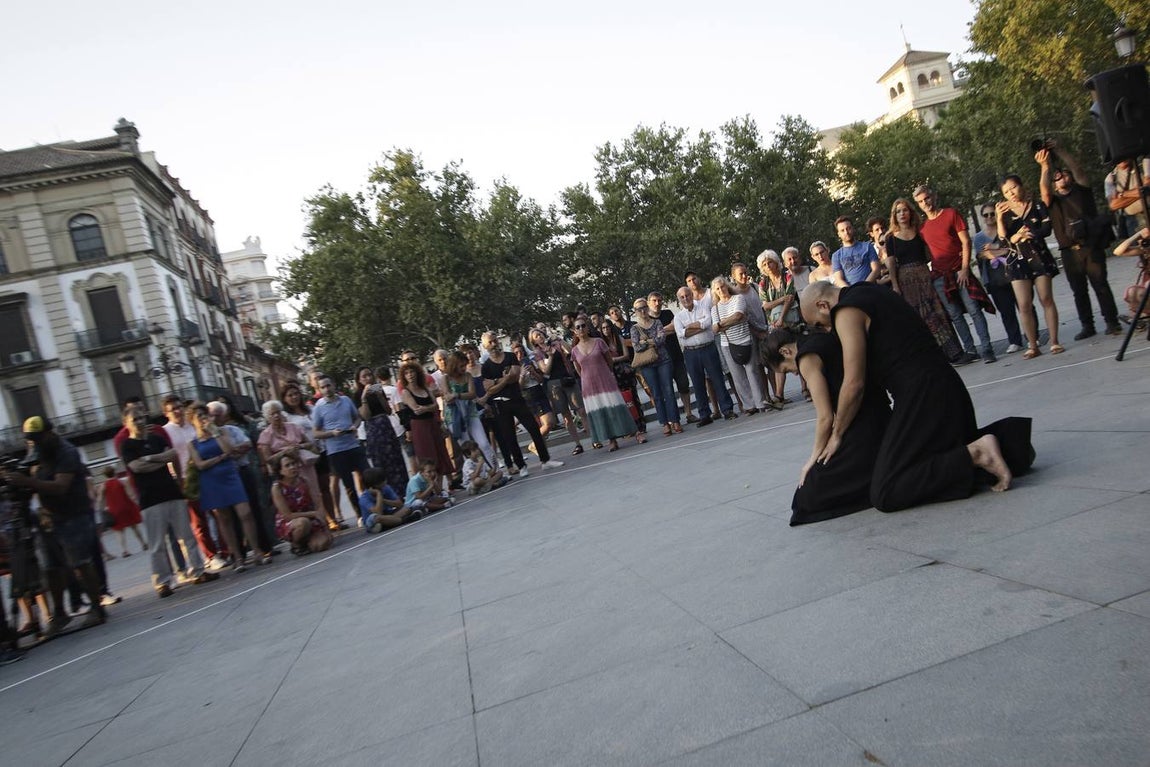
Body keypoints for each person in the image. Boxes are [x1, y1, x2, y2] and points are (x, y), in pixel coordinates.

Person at [800, 281, 1033, 513]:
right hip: (947, 387)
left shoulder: (846, 311)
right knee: (926, 459)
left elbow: (854, 384)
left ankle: (976, 453)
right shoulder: (869, 290)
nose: (827, 331)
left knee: (886, 491)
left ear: (823, 305)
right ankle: (1008, 441)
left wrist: (837, 434)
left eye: (820, 324)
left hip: (922, 395)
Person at [764, 329, 890, 525]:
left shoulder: (806, 358)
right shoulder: (818, 338)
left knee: (806, 497)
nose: (795, 373)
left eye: (787, 370)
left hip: (863, 424)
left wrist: (812, 460)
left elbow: (825, 417)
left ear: (785, 351)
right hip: (878, 414)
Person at [2, 417, 107, 635]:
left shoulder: (66, 452)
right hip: (50, 517)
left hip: (74, 515)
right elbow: (33, 476)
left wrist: (27, 482)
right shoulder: (37, 451)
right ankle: (59, 614)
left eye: (37, 438)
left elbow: (60, 486)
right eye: (30, 439)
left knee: (80, 563)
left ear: (50, 433)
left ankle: (97, 608)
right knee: (51, 568)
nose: (34, 443)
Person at [119, 405, 218, 596]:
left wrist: (149, 458)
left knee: (186, 536)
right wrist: (159, 460)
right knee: (157, 544)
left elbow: (172, 455)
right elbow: (137, 467)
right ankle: (162, 581)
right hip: (150, 499)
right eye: (134, 419)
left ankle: (198, 571)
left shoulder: (156, 438)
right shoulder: (127, 445)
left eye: (141, 417)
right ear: (126, 424)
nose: (139, 422)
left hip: (172, 492)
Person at [1037, 145, 1122, 339]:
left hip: (1090, 246)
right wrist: (1045, 166)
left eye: (1065, 174)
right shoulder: (1053, 201)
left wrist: (1060, 150)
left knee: (1100, 284)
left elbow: (1078, 169)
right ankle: (1087, 325)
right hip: (1069, 251)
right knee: (1078, 290)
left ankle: (1112, 322)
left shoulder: (1082, 191)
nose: (1061, 177)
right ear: (1054, 185)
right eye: (1057, 177)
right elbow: (1044, 190)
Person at [915, 184, 997, 364]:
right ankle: (970, 350)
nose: (925, 203)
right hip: (939, 276)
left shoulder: (951, 214)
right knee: (955, 315)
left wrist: (965, 268)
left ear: (933, 197)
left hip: (960, 272)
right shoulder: (922, 228)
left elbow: (966, 242)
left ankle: (986, 348)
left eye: (926, 198)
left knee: (974, 310)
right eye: (920, 201)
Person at [188, 402, 271, 572]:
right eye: (199, 416)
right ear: (192, 421)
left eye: (205, 415)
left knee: (245, 512)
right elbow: (200, 464)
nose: (204, 419)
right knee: (224, 518)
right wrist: (219, 458)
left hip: (230, 475)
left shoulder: (222, 431)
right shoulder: (193, 443)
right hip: (211, 480)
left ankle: (257, 551)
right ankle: (237, 557)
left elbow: (229, 450)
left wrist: (215, 433)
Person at [883, 197, 963, 362]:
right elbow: (891, 264)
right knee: (920, 316)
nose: (902, 214)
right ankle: (931, 355)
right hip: (906, 281)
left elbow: (929, 254)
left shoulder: (920, 231)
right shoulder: (890, 237)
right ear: (894, 215)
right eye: (898, 211)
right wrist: (895, 285)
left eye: (905, 210)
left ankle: (952, 352)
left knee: (937, 312)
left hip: (925, 276)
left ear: (910, 212)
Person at [997, 174, 1063, 359]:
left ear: (1021, 186)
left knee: (1046, 298)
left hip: (1038, 256)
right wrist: (1001, 221)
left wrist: (1029, 233)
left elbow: (1046, 229)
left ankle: (1054, 341)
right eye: (1006, 191)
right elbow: (1003, 239)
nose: (1011, 193)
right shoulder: (1004, 211)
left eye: (1013, 188)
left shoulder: (1037, 205)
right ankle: (1033, 345)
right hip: (1017, 260)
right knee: (1024, 304)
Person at [480, 331, 564, 474]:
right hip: (500, 404)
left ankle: (545, 460)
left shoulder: (510, 356)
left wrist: (497, 382)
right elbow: (489, 389)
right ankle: (521, 466)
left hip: (517, 399)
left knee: (534, 428)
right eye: (490, 342)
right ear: (485, 346)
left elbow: (515, 376)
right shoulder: (486, 366)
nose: (494, 344)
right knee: (509, 436)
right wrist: (505, 379)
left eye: (495, 340)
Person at [161, 395, 220, 566]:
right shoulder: (166, 432)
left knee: (218, 513)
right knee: (198, 519)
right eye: (173, 409)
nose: (178, 411)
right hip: (185, 477)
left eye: (179, 407)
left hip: (206, 471)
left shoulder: (192, 424)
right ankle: (210, 555)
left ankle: (225, 549)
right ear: (166, 413)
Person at [570, 315, 643, 451]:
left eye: (583, 326)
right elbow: (579, 371)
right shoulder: (574, 350)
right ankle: (612, 440)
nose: (581, 329)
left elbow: (609, 361)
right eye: (577, 327)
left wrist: (606, 374)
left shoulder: (599, 342)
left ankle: (637, 433)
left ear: (587, 328)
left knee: (619, 407)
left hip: (606, 380)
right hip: (589, 387)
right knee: (602, 412)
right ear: (574, 331)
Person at [674, 285, 736, 426]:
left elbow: (708, 323)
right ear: (679, 300)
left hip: (708, 348)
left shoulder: (703, 308)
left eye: (687, 295)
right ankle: (704, 415)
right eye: (682, 297)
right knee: (698, 384)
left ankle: (727, 410)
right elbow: (681, 334)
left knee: (718, 379)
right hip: (690, 352)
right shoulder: (678, 317)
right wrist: (699, 326)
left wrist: (690, 327)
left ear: (691, 295)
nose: (686, 298)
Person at [972, 202, 1025, 354]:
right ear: (982, 217)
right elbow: (983, 255)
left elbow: (1011, 248)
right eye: (986, 215)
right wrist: (1001, 250)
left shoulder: (1005, 229)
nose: (989, 217)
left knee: (1024, 306)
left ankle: (1032, 335)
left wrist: (996, 250)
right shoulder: (979, 237)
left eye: (992, 214)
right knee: (1006, 311)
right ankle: (1015, 341)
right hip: (995, 278)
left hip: (1014, 273)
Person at [311, 374, 364, 527]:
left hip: (353, 445)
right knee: (349, 485)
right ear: (319, 390)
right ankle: (360, 515)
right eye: (323, 387)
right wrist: (331, 433)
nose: (327, 389)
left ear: (333, 385)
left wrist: (355, 426)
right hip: (336, 451)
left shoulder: (346, 400)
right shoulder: (319, 407)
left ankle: (375, 508)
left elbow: (358, 417)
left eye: (328, 385)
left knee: (366, 476)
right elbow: (315, 432)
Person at [710, 277, 767, 416]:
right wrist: (727, 323)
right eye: (717, 289)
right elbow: (715, 329)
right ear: (715, 292)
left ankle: (760, 402)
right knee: (738, 377)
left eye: (722, 286)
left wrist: (722, 324)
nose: (721, 290)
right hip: (728, 344)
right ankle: (749, 406)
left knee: (752, 372)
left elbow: (738, 315)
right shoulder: (715, 309)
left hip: (745, 339)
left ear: (727, 286)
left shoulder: (738, 298)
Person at [352, 366, 410, 496]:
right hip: (373, 429)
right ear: (359, 380)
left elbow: (388, 410)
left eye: (369, 375)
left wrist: (379, 395)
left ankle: (404, 492)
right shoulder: (358, 395)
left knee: (396, 459)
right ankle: (390, 494)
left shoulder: (378, 389)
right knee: (382, 462)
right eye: (364, 376)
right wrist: (364, 397)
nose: (368, 378)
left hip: (386, 426)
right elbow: (365, 416)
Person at [630, 297, 682, 434]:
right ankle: (664, 423)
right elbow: (636, 347)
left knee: (669, 391)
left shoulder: (657, 322)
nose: (642, 311)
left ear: (647, 308)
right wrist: (652, 341)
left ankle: (675, 420)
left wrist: (645, 341)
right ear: (635, 311)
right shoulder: (634, 328)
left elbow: (662, 340)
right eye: (639, 309)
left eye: (644, 307)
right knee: (656, 394)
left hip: (663, 360)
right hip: (647, 364)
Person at [648, 291, 696, 424]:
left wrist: (657, 334)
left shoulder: (668, 313)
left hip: (676, 356)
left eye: (659, 300)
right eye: (654, 301)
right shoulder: (647, 320)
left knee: (684, 385)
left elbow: (676, 327)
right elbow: (649, 338)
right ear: (648, 303)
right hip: (661, 360)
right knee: (667, 390)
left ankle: (689, 414)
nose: (657, 303)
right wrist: (665, 331)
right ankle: (674, 419)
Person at [442, 350, 497, 467]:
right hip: (455, 416)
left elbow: (472, 393)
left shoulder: (467, 376)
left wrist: (457, 395)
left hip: (470, 412)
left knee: (484, 443)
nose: (464, 368)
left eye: (465, 365)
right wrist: (457, 396)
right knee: (467, 448)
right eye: (461, 366)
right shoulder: (446, 378)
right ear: (454, 365)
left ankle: (495, 469)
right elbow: (447, 397)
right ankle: (476, 472)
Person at [270, 454, 332, 555]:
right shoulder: (277, 488)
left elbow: (317, 502)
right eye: (287, 465)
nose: (292, 467)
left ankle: (307, 542)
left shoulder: (304, 481)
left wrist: (325, 526)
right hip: (291, 522)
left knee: (322, 544)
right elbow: (287, 516)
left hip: (310, 517)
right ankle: (296, 545)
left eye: (293, 464)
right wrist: (313, 513)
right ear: (280, 471)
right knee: (303, 523)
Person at [99, 465, 146, 558]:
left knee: (119, 531)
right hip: (127, 507)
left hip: (114, 510)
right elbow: (130, 494)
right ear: (114, 472)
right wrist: (136, 502)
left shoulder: (103, 486)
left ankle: (125, 550)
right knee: (134, 527)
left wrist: (103, 508)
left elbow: (101, 499)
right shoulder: (121, 482)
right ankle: (143, 543)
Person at [357, 466, 415, 533]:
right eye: (383, 480)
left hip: (387, 515)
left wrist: (383, 500)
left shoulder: (386, 487)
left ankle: (390, 522)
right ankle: (404, 520)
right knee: (376, 518)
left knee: (407, 507)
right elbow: (378, 512)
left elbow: (400, 504)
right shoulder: (364, 498)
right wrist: (378, 494)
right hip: (373, 521)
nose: (386, 481)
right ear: (375, 484)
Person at [1113, 226, 1150, 326]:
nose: (1143, 242)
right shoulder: (1143, 250)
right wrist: (1137, 235)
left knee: (1147, 286)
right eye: (1140, 240)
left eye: (1146, 239)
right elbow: (1117, 251)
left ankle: (1141, 316)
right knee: (1132, 291)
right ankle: (1137, 318)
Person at [1106, 158, 1150, 238]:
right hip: (1134, 222)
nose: (1122, 159)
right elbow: (1113, 205)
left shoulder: (1144, 163)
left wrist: (1122, 194)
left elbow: (1147, 186)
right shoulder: (1111, 178)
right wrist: (1140, 192)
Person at [830, 216, 880, 286]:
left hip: (870, 287)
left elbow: (876, 270)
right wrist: (851, 290)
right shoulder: (836, 256)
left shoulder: (867, 246)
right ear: (839, 234)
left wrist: (863, 286)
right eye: (842, 230)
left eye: (848, 228)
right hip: (850, 290)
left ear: (853, 229)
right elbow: (839, 279)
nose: (846, 232)